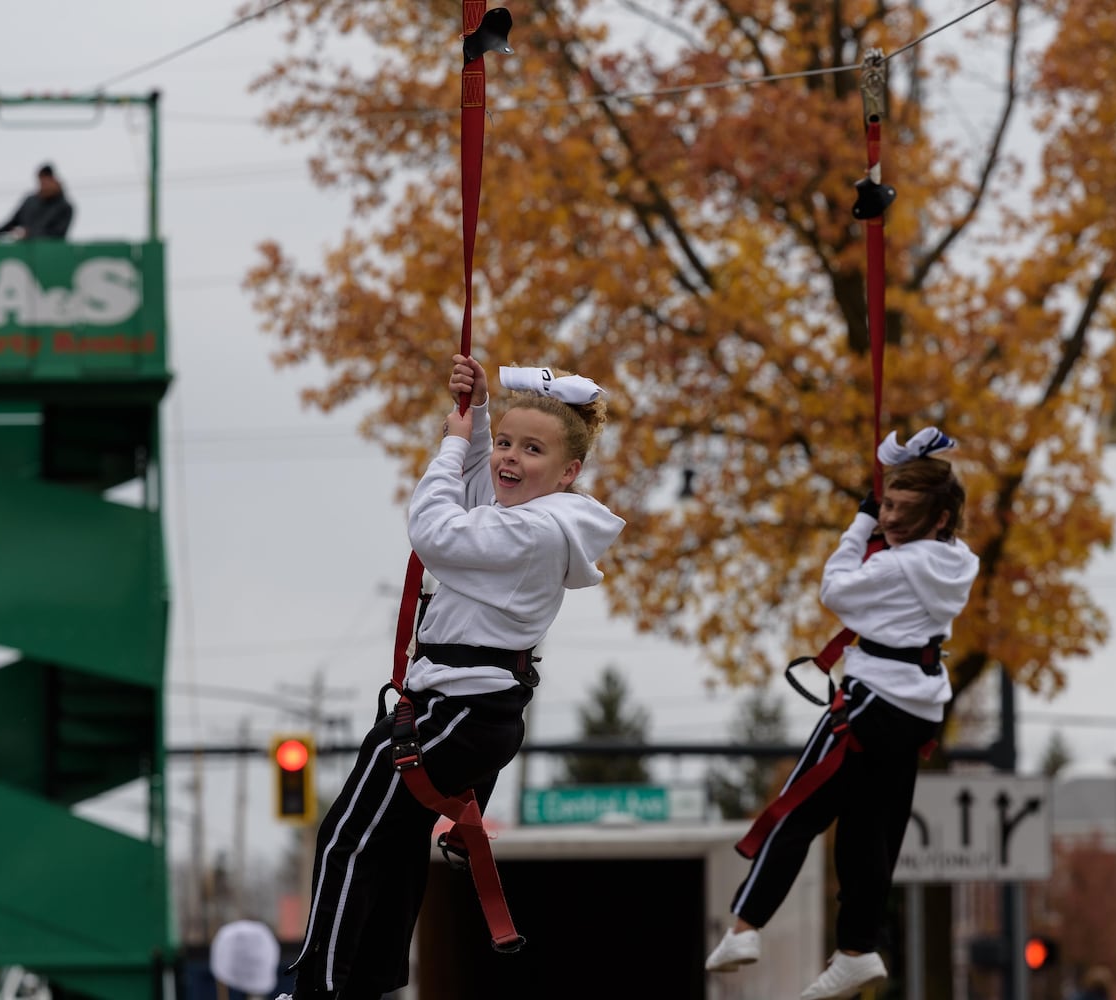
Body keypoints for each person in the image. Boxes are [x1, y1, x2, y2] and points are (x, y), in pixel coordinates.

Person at [278, 354, 625, 1000]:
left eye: (532, 450)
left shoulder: (538, 532)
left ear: (569, 472)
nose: (508, 459)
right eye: (504, 444)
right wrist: (479, 412)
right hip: (463, 709)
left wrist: (454, 439)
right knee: (390, 845)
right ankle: (364, 986)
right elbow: (474, 500)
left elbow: (434, 529)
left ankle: (317, 991)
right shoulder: (529, 519)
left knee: (348, 838)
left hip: (460, 709)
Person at [705, 427, 979, 1000]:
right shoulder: (959, 562)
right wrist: (895, 471)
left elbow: (836, 589)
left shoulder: (896, 567)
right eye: (890, 506)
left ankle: (745, 926)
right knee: (868, 833)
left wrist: (862, 521)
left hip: (872, 703)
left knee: (797, 809)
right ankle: (857, 948)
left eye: (905, 510)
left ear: (942, 518)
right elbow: (905, 541)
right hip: (917, 709)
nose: (892, 519)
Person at [0, 163, 73, 241]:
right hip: (26, 253)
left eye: (46, 181)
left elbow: (57, 234)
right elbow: (13, 221)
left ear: (54, 180)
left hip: (49, 254)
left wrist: (30, 234)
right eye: (41, 182)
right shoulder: (30, 201)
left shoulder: (65, 207)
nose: (44, 185)